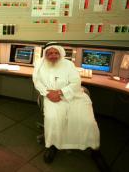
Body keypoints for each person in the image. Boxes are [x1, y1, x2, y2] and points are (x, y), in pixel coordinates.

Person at [33, 42, 109, 171]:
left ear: (60, 53)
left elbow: (76, 82)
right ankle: (52, 146)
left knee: (88, 122)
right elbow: (37, 82)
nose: (53, 56)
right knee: (53, 119)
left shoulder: (68, 64)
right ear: (45, 54)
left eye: (56, 53)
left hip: (74, 96)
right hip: (51, 97)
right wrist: (47, 93)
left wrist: (60, 92)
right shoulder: (39, 65)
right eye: (50, 53)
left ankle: (95, 149)